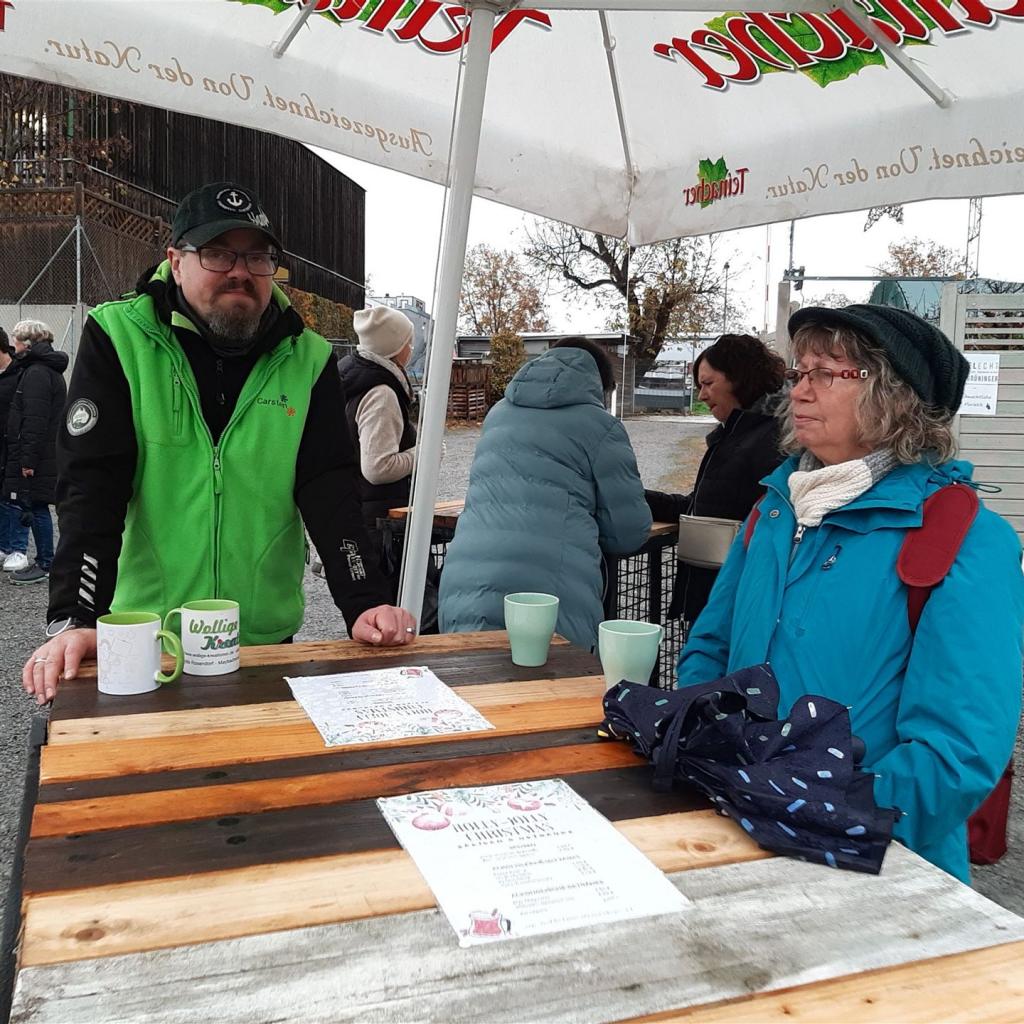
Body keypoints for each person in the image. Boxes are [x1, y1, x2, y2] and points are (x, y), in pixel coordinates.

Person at [22, 181, 415, 704]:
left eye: (257, 257)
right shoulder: (118, 336)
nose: (239, 271)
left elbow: (328, 488)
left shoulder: (309, 356)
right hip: (149, 634)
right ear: (175, 261)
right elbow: (92, 486)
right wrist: (78, 615)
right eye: (217, 253)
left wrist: (364, 600)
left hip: (261, 637)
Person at [678, 304, 1024, 882]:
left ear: (895, 396)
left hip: (874, 863)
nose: (799, 390)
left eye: (827, 373)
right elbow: (710, 647)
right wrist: (703, 745)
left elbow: (957, 751)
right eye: (799, 372)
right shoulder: (774, 509)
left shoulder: (965, 536)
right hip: (737, 825)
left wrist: (815, 815)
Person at [439, 337, 652, 652]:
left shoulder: (497, 414)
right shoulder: (601, 426)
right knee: (547, 680)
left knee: (472, 677)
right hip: (549, 598)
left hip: (465, 587)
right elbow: (628, 532)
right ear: (600, 385)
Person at [645, 333, 786, 624]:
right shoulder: (733, 436)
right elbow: (699, 509)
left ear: (739, 378)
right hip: (714, 596)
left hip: (736, 602)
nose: (702, 396)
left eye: (708, 383)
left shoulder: (772, 441)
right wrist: (637, 498)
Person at [337, 305, 416, 584]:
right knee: (389, 602)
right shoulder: (381, 394)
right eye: (408, 341)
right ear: (394, 347)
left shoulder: (350, 379)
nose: (411, 348)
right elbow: (378, 468)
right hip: (381, 527)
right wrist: (423, 455)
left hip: (357, 513)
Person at [2, 320, 68, 583]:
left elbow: (34, 420)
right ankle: (45, 561)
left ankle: (45, 562)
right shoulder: (44, 370)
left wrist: (27, 460)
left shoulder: (37, 373)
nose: (14, 346)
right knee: (37, 504)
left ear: (27, 344)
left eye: (17, 341)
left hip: (38, 456)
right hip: (45, 452)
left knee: (37, 505)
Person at [0, 325, 21, 564]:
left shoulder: (20, 372)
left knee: (13, 498)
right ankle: (4, 546)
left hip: (13, 446)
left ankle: (17, 549)